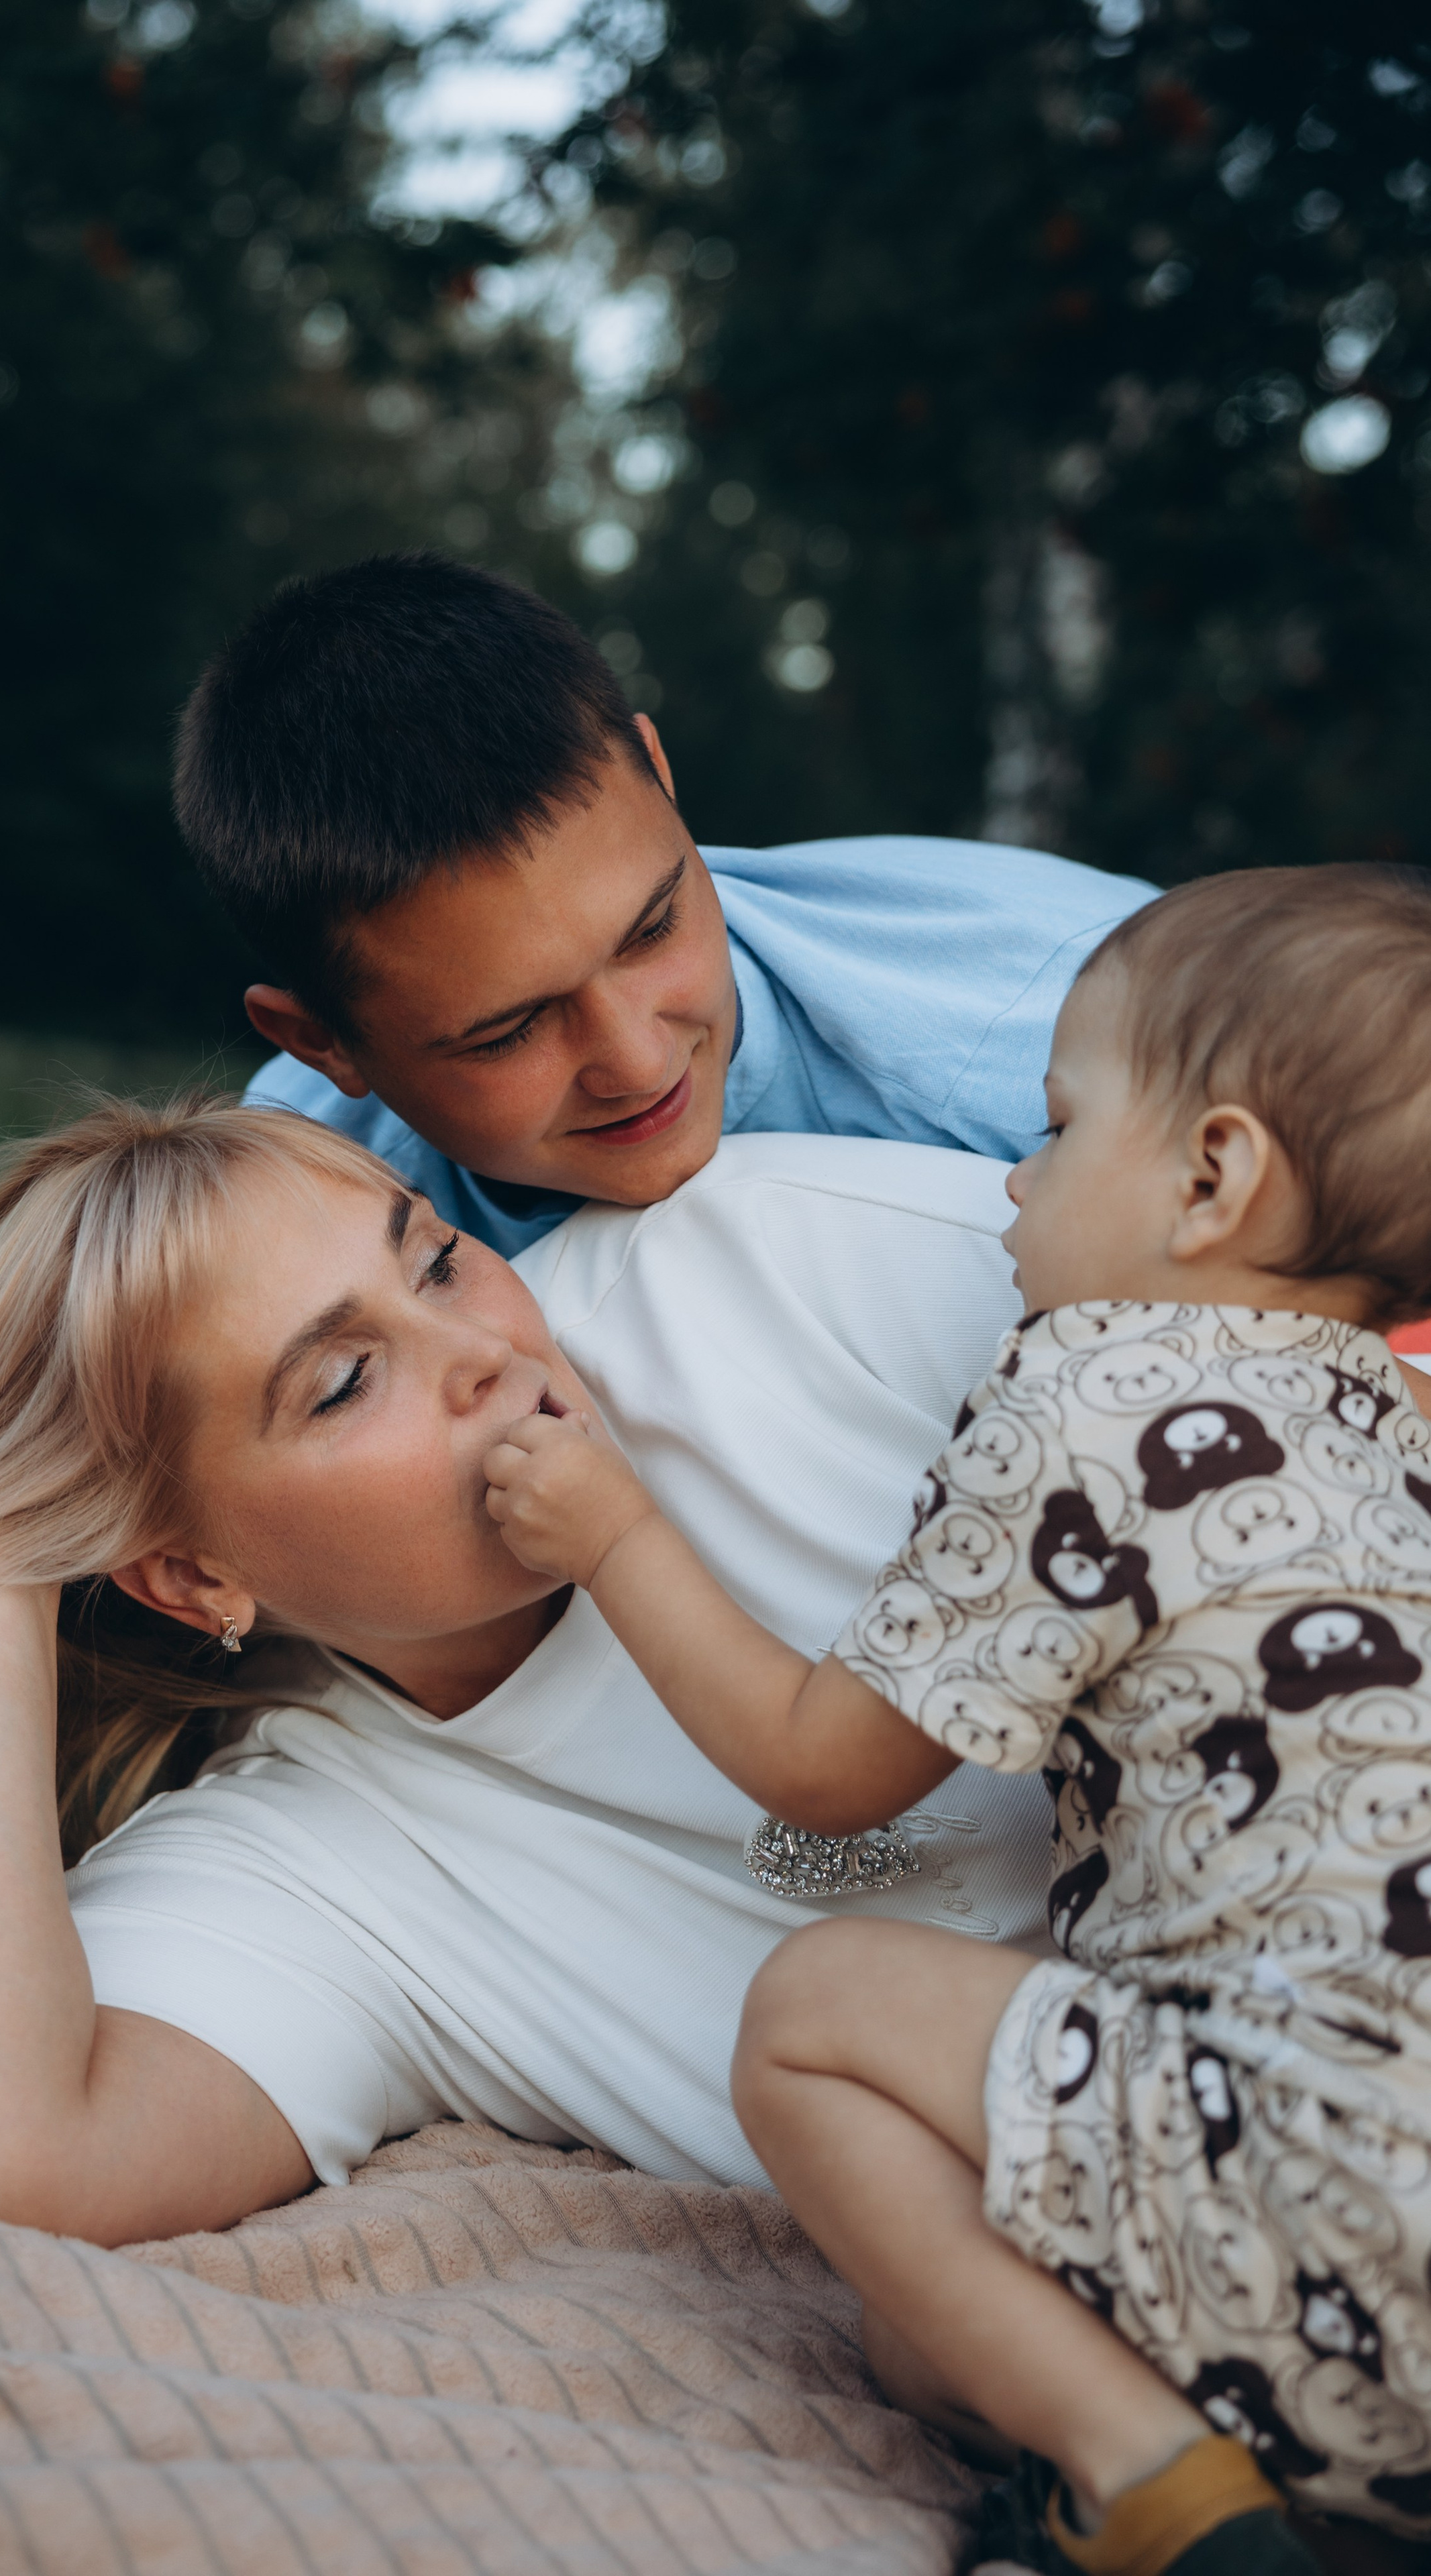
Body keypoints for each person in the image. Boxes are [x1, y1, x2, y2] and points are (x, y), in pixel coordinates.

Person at [482, 863, 1431, 2571]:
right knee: (925, 2332)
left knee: (817, 2009)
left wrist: (612, 1527)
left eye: (1057, 1130)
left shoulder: (1097, 1382)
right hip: (1374, 2280)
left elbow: (825, 1773)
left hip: (1313, 2176)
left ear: (1211, 1175)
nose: (1008, 1179)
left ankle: (1159, 2488)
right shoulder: (1405, 1427)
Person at [0, 1090, 1049, 2247]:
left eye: (437, 1261)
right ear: (189, 1578)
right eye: (348, 1380)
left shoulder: (780, 1275)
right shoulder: (321, 1867)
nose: (483, 1356)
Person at [172, 552, 1156, 1257]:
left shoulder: (1094, 1028)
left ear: (659, 773)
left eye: (652, 930)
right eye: (508, 1032)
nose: (639, 1062)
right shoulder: (296, 1207)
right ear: (321, 1045)